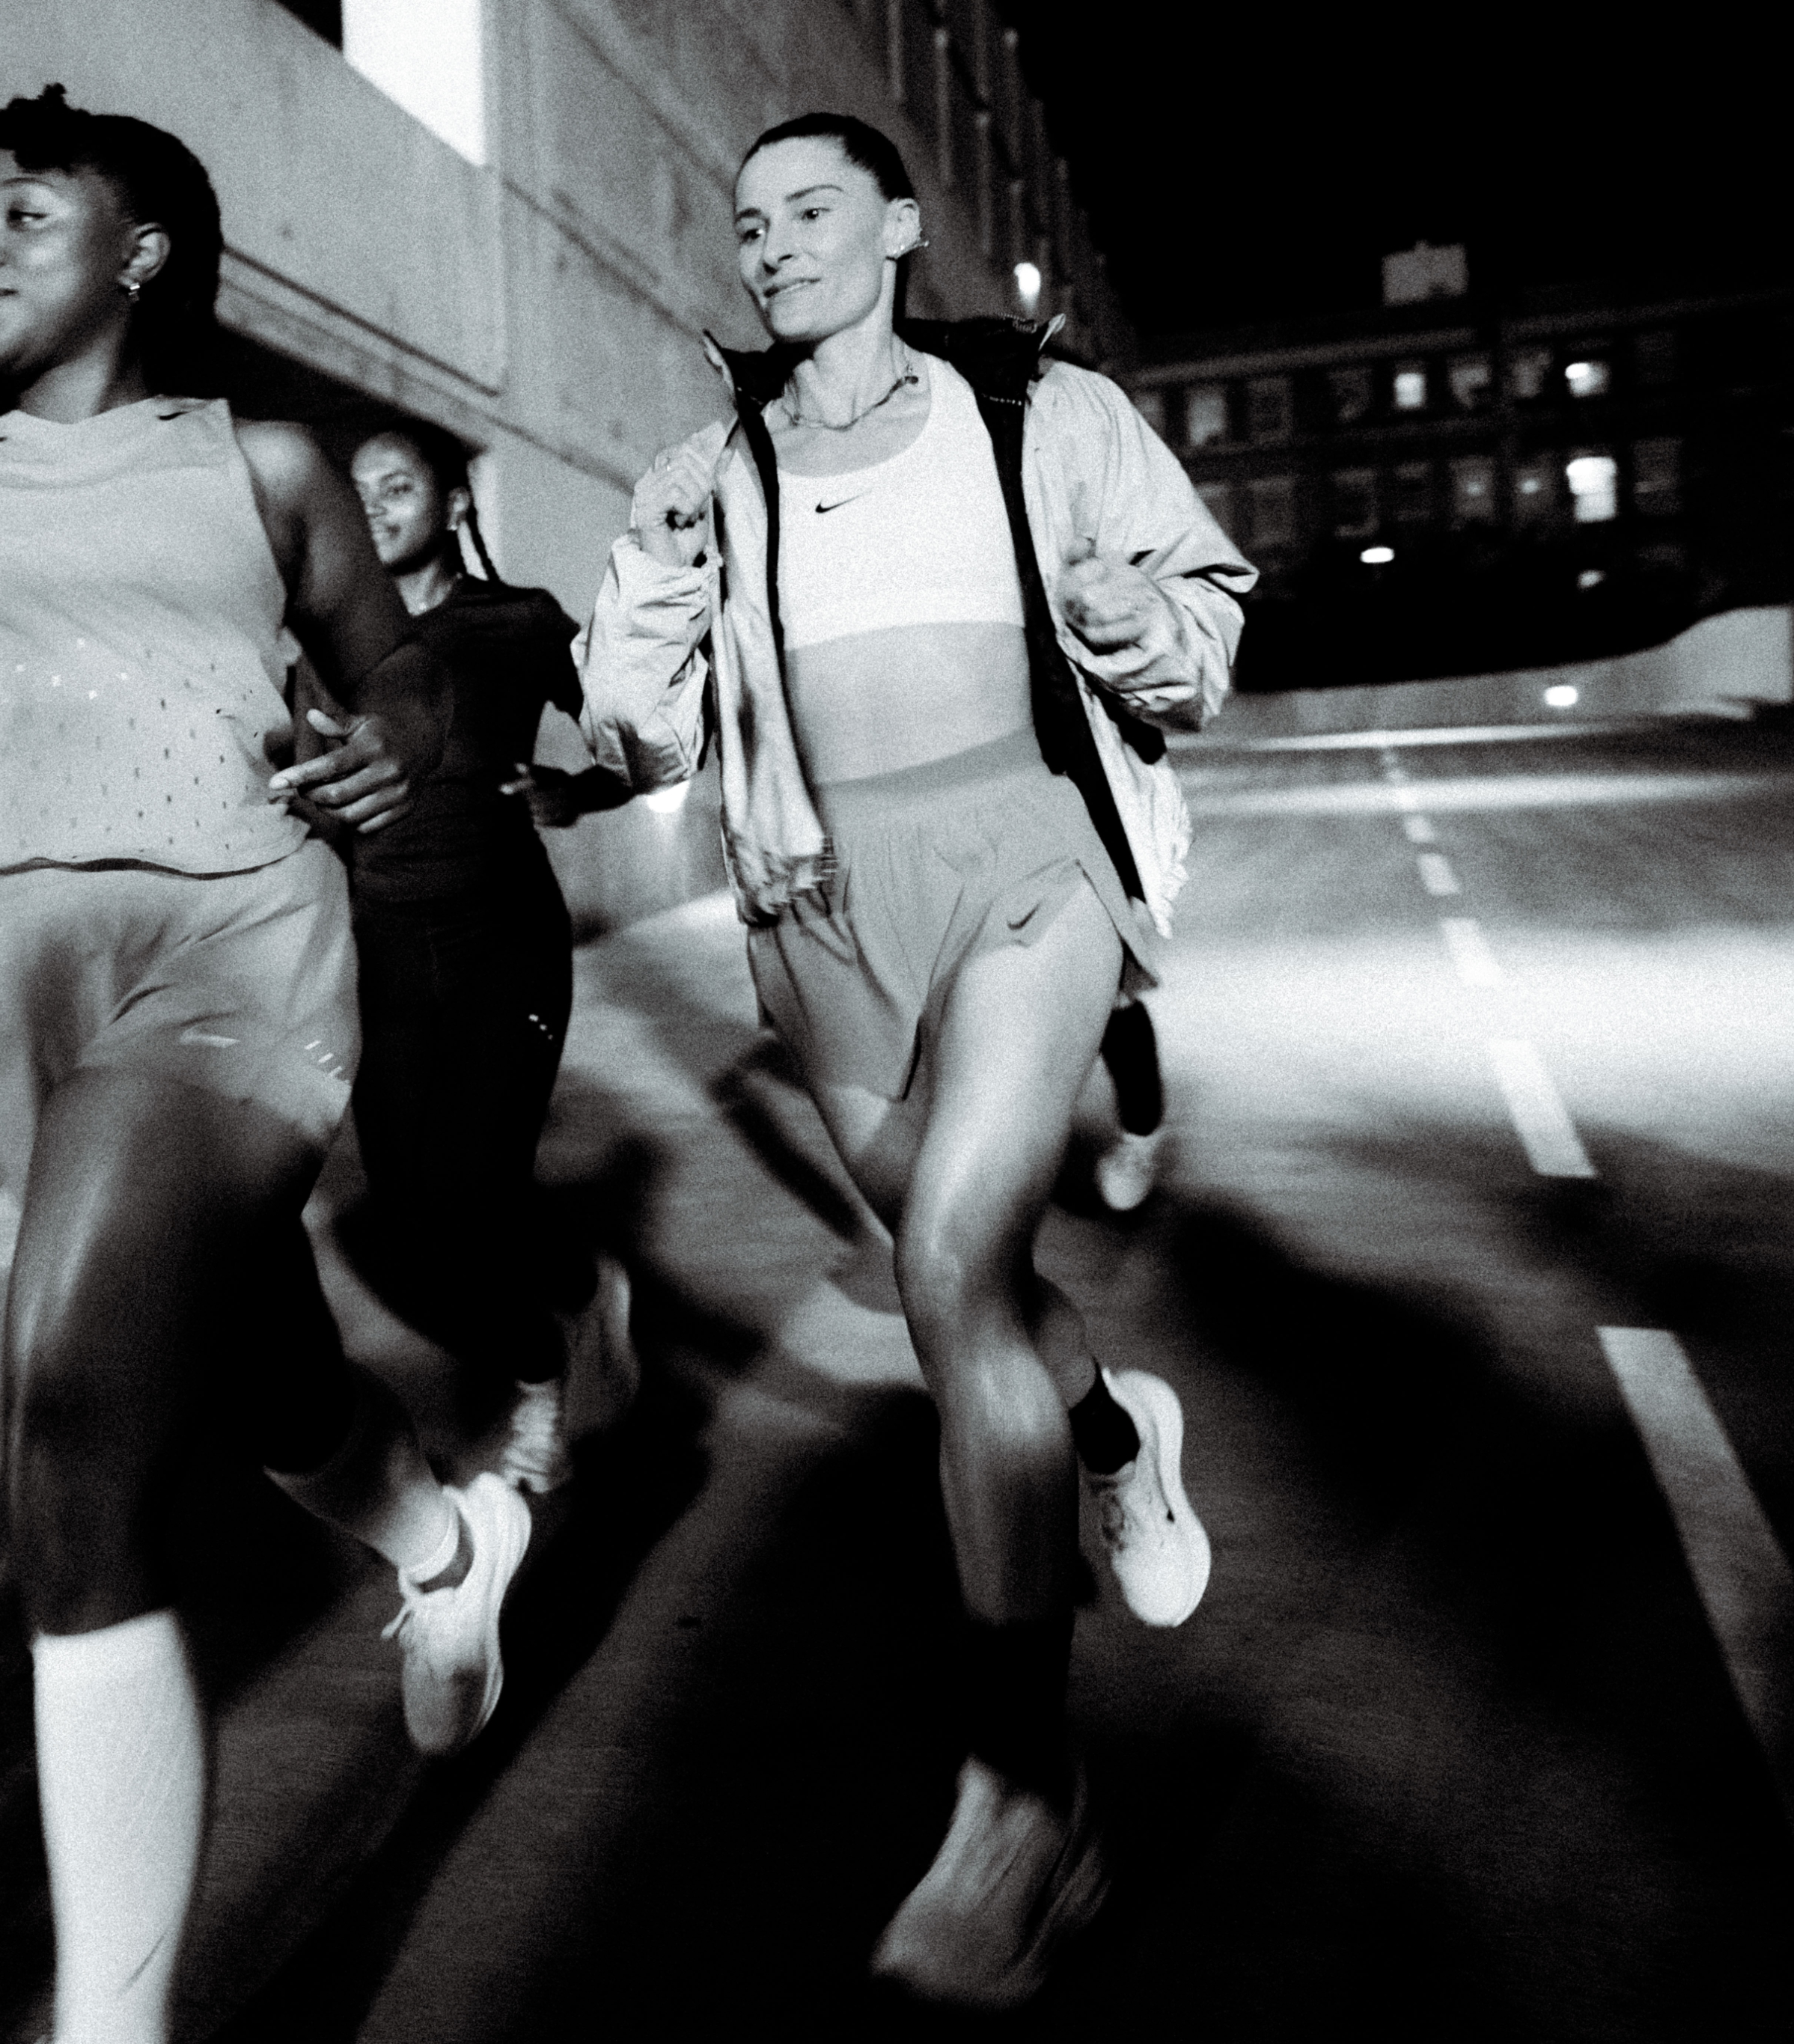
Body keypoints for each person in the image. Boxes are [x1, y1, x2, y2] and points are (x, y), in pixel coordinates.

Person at [0, 87, 528, 2044]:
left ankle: (114, 2022)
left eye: (32, 211)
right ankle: (452, 1541)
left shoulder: (256, 459)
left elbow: (404, 675)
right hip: (30, 993)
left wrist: (399, 742)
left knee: (73, 1436)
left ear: (143, 253)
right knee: (269, 1382)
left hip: (231, 951)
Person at [573, 112, 1251, 2009]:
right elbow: (634, 740)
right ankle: (1111, 1425)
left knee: (947, 1264)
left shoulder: (1039, 417)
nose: (771, 244)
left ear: (896, 224)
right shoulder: (714, 469)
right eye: (746, 224)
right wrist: (649, 588)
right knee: (961, 1282)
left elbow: (1201, 626)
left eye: (807, 211)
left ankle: (1027, 1807)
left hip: (1019, 862)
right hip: (813, 912)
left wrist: (1137, 629)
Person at [334, 420, 636, 1494]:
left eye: (397, 484)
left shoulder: (517, 622)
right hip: (381, 948)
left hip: (504, 937)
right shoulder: (342, 639)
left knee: (469, 1193)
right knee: (414, 1214)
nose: (372, 506)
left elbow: (635, 731)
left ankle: (541, 1369)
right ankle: (585, 1282)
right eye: (357, 489)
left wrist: (580, 790)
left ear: (456, 503)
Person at [1094, 991, 1166, 1211]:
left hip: (1121, 1015)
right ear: (1147, 1169)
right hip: (1122, 1015)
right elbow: (1134, 1061)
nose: (1126, 1159)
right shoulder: (1141, 1123)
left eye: (1119, 1165)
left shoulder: (1141, 1127)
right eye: (1132, 1168)